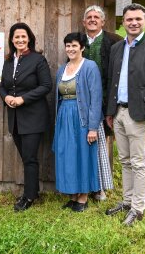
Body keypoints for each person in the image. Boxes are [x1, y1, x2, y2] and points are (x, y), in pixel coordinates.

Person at [105, 3, 145, 226]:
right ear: (123, 22)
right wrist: (110, 111)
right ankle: (127, 201)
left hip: (141, 114)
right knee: (124, 160)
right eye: (129, 19)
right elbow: (112, 82)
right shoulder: (117, 48)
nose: (133, 23)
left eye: (138, 19)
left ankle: (138, 208)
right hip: (119, 112)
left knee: (139, 162)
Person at [0, 23, 52, 212]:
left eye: (23, 36)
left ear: (29, 38)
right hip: (15, 118)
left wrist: (22, 99)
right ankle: (33, 190)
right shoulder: (8, 61)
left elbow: (46, 86)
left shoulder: (38, 60)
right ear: (12, 40)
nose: (20, 40)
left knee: (29, 158)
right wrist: (6, 97)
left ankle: (29, 196)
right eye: (16, 37)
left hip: (33, 117)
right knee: (26, 157)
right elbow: (2, 86)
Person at [53, 32, 102, 212]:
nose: (70, 49)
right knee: (67, 155)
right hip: (64, 117)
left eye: (74, 45)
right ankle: (72, 195)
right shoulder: (62, 69)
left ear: (82, 47)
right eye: (68, 46)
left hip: (81, 117)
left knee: (82, 155)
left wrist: (92, 127)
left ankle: (83, 197)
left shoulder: (89, 67)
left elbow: (96, 99)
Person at [82, 5, 122, 200]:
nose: (92, 19)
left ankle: (100, 186)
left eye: (96, 17)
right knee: (85, 141)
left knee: (102, 141)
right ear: (84, 22)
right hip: (82, 102)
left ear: (103, 21)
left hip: (106, 100)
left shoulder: (115, 41)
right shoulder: (78, 41)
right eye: (89, 17)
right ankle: (86, 183)